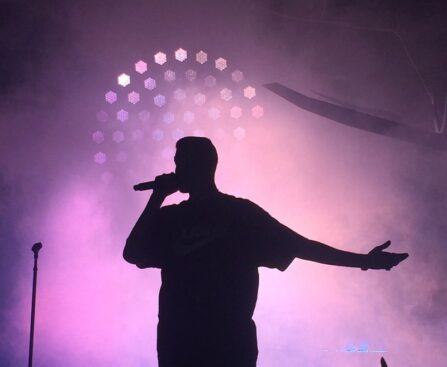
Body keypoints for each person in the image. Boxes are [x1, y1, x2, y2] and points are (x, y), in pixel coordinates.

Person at [123, 136, 408, 367]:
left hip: (224, 345)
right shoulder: (173, 218)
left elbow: (300, 245)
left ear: (199, 166)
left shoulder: (240, 214)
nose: (175, 170)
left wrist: (364, 262)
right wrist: (158, 197)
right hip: (182, 345)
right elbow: (133, 253)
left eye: (181, 163)